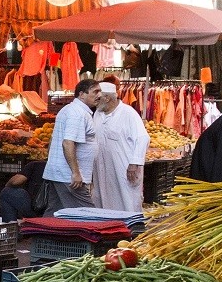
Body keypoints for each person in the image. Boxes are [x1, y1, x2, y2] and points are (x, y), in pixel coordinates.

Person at [41, 78, 101, 212]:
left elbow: (54, 141)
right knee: (87, 214)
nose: (100, 95)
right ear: (81, 94)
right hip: (69, 177)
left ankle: (40, 233)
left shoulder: (71, 110)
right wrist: (75, 173)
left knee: (56, 213)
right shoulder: (77, 114)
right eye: (95, 91)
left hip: (61, 173)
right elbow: (67, 143)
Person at [90, 81, 147, 213]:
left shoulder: (128, 113)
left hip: (124, 168)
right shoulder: (97, 114)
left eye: (98, 98)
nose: (95, 102)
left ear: (107, 98)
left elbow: (142, 138)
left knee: (126, 201)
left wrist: (134, 163)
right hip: (102, 169)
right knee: (102, 200)